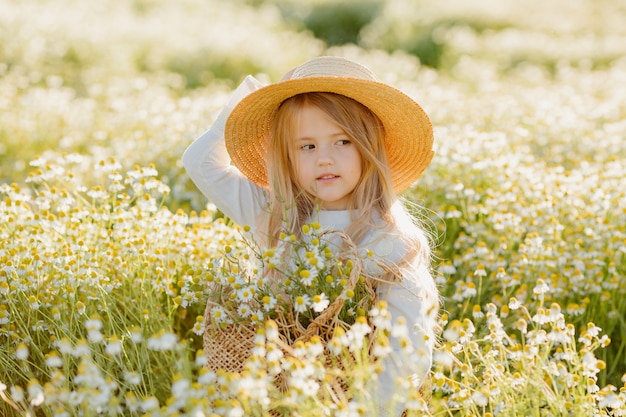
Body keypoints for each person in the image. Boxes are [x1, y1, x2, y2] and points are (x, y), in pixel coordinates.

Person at [183, 55, 439, 416]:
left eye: (343, 142)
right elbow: (201, 162)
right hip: (280, 402)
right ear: (286, 156)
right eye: (307, 146)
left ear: (371, 148)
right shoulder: (276, 217)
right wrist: (260, 97)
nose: (324, 159)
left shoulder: (390, 241)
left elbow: (407, 355)